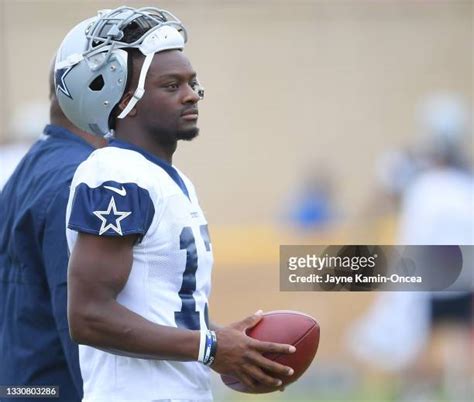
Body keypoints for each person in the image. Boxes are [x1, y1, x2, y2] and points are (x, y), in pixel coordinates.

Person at [56, 6, 295, 401]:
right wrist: (211, 347)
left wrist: (225, 341)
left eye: (192, 82)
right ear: (121, 98)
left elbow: (159, 306)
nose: (191, 95)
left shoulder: (169, 179)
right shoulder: (116, 174)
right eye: (171, 85)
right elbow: (88, 316)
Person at [0, 64, 106, 401]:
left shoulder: (35, 164)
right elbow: (79, 320)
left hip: (23, 375)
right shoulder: (75, 177)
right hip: (51, 384)